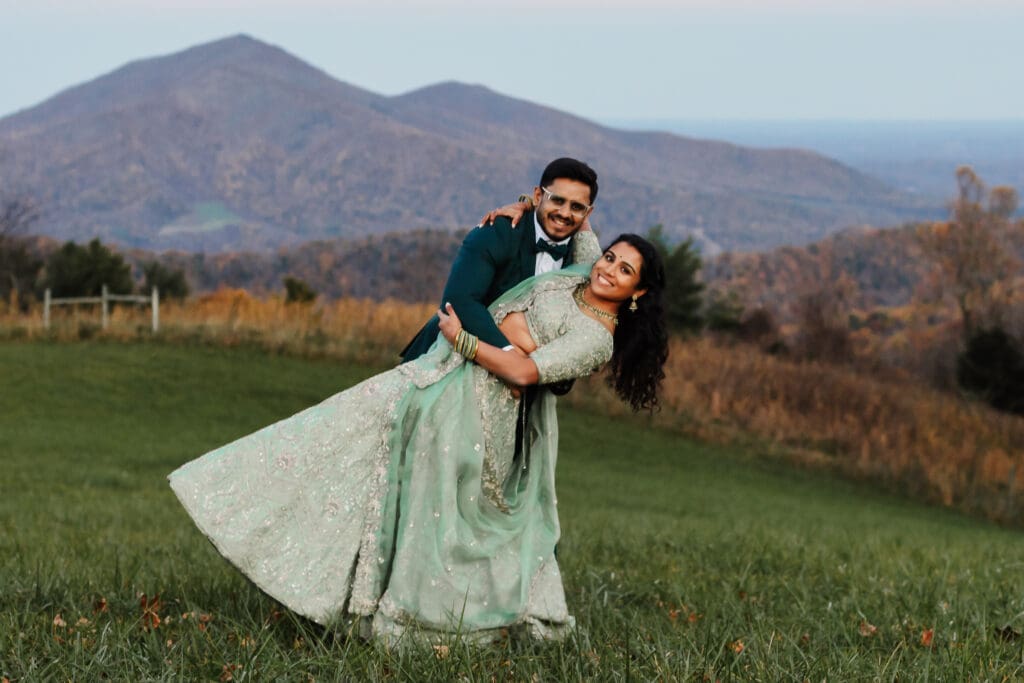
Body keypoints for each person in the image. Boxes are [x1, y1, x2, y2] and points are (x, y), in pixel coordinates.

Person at [168, 233, 668, 644]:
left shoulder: (595, 339)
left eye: (626, 271)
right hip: (441, 373)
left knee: (433, 506)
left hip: (482, 408)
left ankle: (416, 614)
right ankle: (254, 519)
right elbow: (577, 220)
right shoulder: (583, 270)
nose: (609, 269)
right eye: (611, 258)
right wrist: (522, 202)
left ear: (638, 293)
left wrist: (465, 338)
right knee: (338, 429)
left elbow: (522, 371)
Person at [400, 157, 602, 362]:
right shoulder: (497, 231)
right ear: (538, 196)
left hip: (524, 381)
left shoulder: (584, 260)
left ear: (588, 213)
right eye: (557, 200)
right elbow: (460, 301)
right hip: (444, 360)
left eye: (576, 207)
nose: (565, 213)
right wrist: (510, 358)